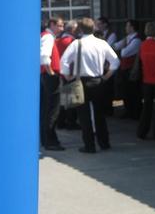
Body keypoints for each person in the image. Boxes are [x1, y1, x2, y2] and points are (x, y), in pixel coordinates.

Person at [61, 18, 120, 153]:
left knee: (84, 116)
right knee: (100, 114)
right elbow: (115, 62)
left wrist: (67, 76)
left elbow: (64, 61)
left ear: (80, 29)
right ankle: (104, 143)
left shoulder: (76, 44)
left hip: (81, 81)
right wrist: (106, 76)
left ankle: (89, 145)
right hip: (98, 81)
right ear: (93, 28)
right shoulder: (102, 43)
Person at [40, 17, 65, 151]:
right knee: (52, 110)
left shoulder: (46, 36)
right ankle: (50, 141)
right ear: (52, 24)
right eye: (60, 26)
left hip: (47, 76)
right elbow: (44, 56)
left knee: (47, 109)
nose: (62, 29)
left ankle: (46, 139)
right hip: (50, 77)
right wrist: (51, 72)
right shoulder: (48, 37)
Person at [114, 19, 142, 119]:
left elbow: (124, 53)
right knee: (125, 91)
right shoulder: (128, 38)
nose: (125, 28)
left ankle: (135, 112)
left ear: (132, 27)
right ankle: (128, 110)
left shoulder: (137, 40)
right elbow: (115, 46)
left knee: (133, 91)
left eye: (127, 26)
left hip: (130, 69)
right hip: (124, 69)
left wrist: (123, 45)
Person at [55, 20, 80, 130]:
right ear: (73, 30)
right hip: (71, 73)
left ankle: (61, 122)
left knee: (63, 99)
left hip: (61, 73)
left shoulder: (58, 40)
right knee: (71, 100)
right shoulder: (72, 42)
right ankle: (71, 122)